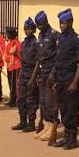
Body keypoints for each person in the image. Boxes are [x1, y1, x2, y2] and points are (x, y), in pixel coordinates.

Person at [49, 9, 79, 150]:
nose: (61, 26)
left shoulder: (77, 39)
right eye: (60, 23)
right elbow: (58, 59)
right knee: (63, 107)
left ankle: (72, 139)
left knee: (71, 108)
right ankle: (66, 136)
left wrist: (75, 82)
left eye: (64, 23)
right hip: (60, 78)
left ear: (71, 22)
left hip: (71, 77)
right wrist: (53, 74)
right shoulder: (60, 39)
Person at [30, 11, 60, 141]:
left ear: (46, 22)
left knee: (49, 101)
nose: (39, 27)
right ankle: (47, 125)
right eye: (37, 25)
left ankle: (52, 126)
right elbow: (38, 58)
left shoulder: (54, 35)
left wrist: (53, 73)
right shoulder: (40, 36)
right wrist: (35, 75)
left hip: (51, 72)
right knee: (42, 101)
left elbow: (58, 57)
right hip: (42, 72)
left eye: (41, 24)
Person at [12, 18, 40, 132]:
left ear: (34, 30)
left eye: (30, 29)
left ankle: (31, 123)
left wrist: (33, 78)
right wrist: (20, 76)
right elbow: (22, 61)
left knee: (31, 99)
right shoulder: (23, 44)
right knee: (21, 99)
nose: (28, 31)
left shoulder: (36, 43)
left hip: (32, 73)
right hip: (23, 73)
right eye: (26, 29)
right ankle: (22, 121)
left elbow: (38, 61)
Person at [4, 27, 21, 108]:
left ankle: (17, 100)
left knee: (15, 84)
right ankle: (12, 98)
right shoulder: (10, 42)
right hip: (10, 66)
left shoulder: (17, 43)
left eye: (9, 34)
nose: (7, 35)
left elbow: (20, 55)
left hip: (16, 66)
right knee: (11, 84)